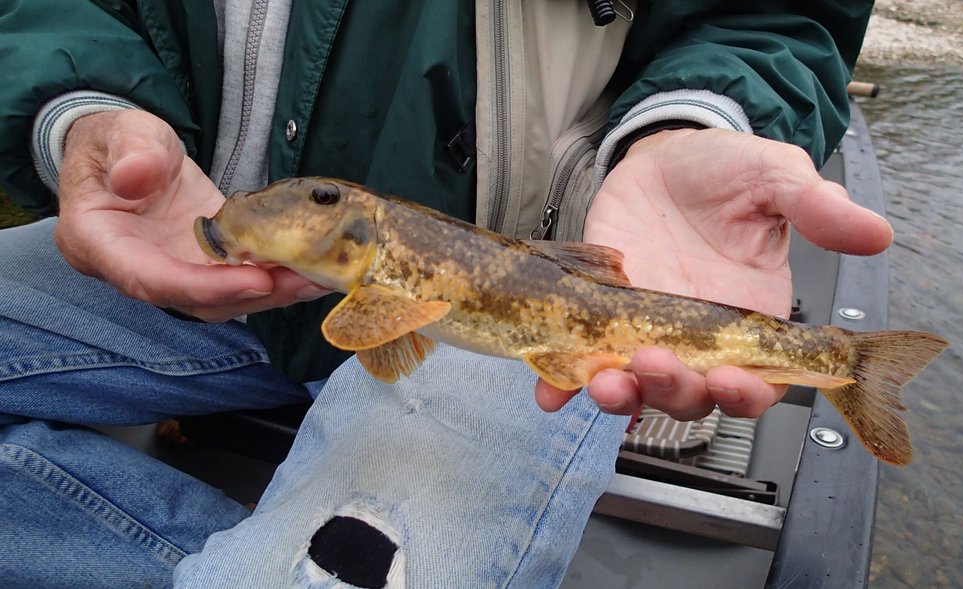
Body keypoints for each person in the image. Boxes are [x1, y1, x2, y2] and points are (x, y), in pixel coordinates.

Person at [0, 1, 891, 587]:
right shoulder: (338, 262)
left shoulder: (377, 273)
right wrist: (80, 110)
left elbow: (776, 13)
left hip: (563, 252)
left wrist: (692, 121)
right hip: (177, 242)